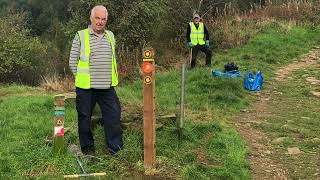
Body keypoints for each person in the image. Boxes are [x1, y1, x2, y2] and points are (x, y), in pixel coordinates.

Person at [69, 5, 123, 156]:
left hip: (107, 86)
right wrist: (81, 79)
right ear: (91, 18)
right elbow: (72, 61)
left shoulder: (111, 36)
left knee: (114, 115)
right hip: (86, 88)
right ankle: (88, 150)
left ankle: (115, 149)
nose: (100, 22)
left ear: (106, 20)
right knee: (84, 118)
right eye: (97, 18)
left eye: (103, 19)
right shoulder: (81, 35)